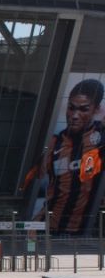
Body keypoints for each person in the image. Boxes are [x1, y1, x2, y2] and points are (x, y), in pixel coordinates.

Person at [35, 78, 105, 234]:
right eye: (71, 108)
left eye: (83, 109)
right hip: (48, 227)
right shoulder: (54, 143)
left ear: (96, 110)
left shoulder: (100, 137)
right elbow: (33, 182)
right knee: (31, 252)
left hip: (84, 230)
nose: (74, 115)